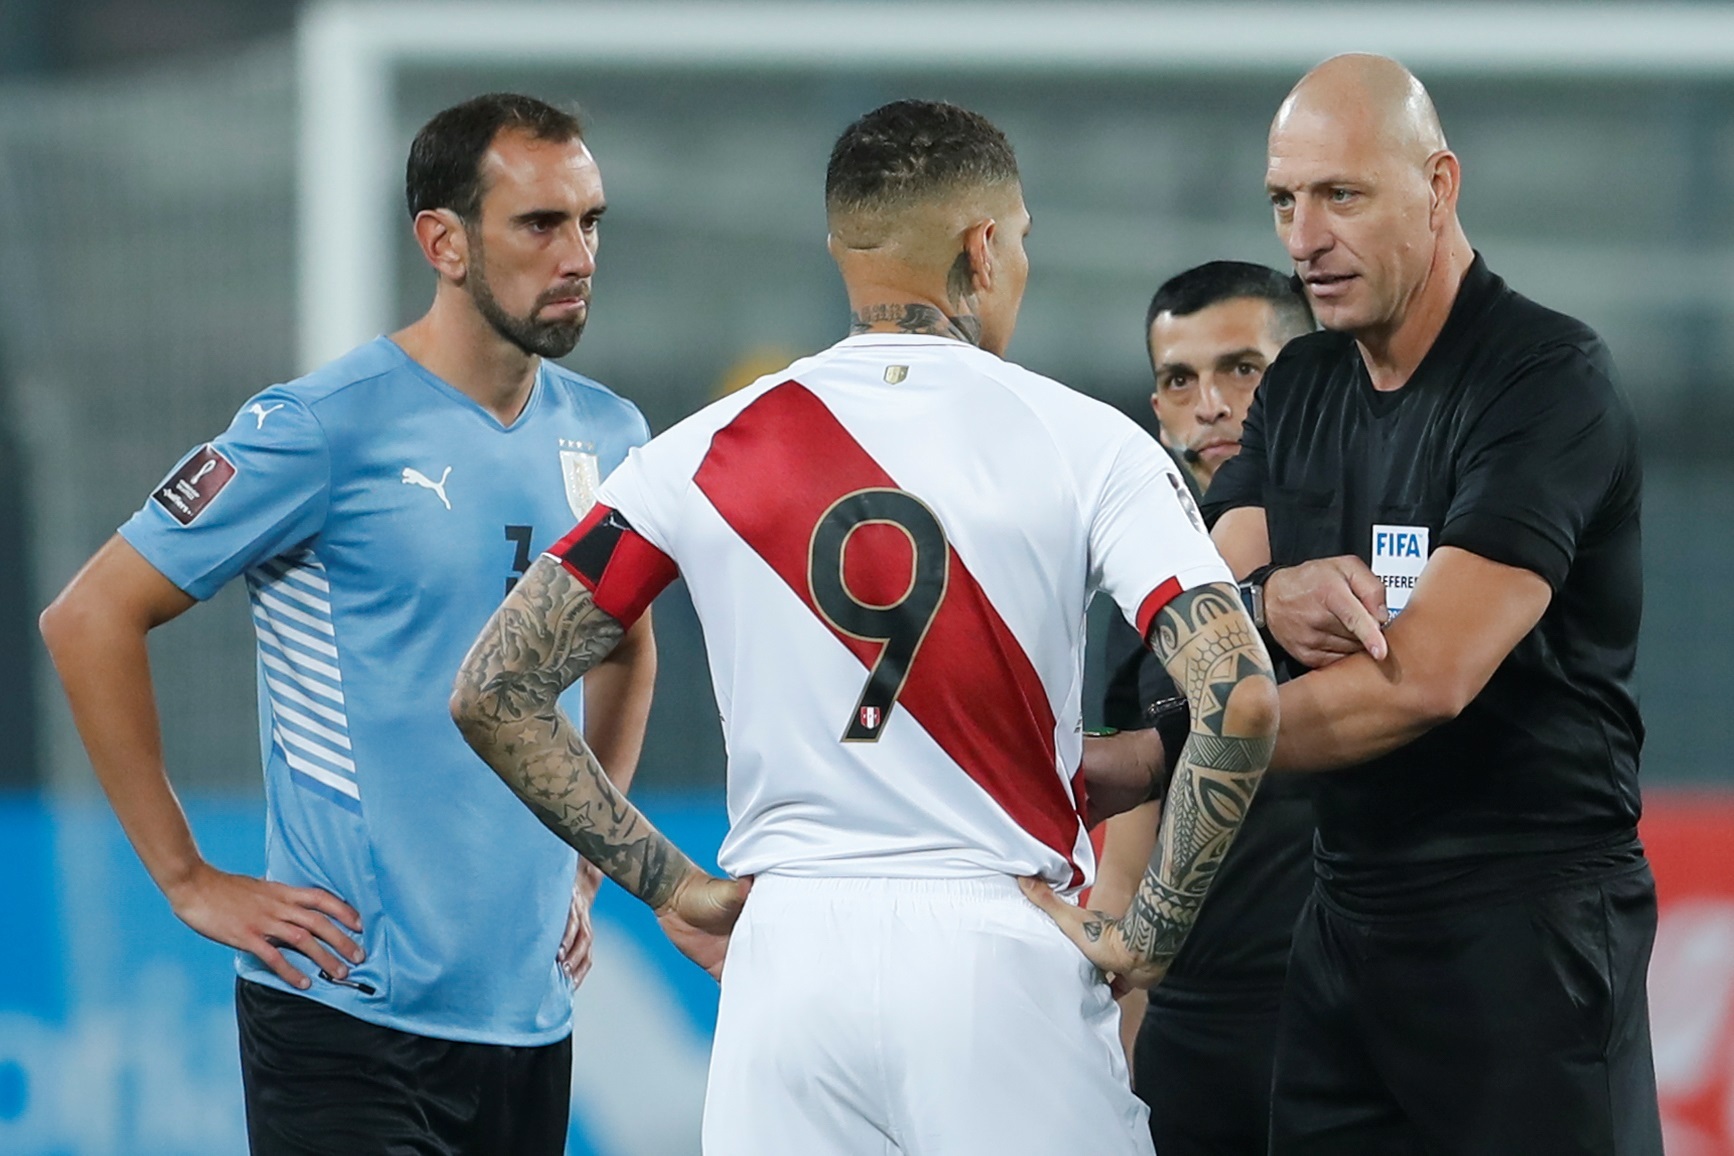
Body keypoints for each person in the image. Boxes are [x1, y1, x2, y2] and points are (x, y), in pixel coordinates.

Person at [449, 98, 1279, 1156]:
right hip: (1000, 948)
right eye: (1019, 240)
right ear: (983, 248)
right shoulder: (1088, 442)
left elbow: (494, 688)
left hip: (786, 966)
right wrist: (1151, 935)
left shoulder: (702, 449)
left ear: (845, 248)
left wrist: (672, 881)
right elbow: (1242, 694)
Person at [38, 93, 656, 1155]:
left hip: (528, 1015)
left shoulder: (610, 432)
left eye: (590, 220)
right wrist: (188, 878)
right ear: (443, 242)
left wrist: (588, 862)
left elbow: (628, 640)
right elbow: (89, 615)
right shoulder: (321, 428)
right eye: (540, 224)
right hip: (345, 1010)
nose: (578, 254)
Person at [1202, 54, 1661, 1155]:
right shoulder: (1302, 386)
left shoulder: (1545, 379)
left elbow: (1429, 680)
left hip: (1527, 923)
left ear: (1440, 186)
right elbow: (1196, 609)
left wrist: (1181, 749)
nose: (1303, 237)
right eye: (1284, 200)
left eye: (1340, 195)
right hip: (1346, 922)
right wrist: (1267, 598)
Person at [1090, 260, 1315, 1156]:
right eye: (1180, 379)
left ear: (1313, 377)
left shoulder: (1379, 562)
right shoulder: (1142, 599)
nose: (1211, 404)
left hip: (1359, 1016)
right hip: (1197, 1033)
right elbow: (1126, 869)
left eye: (1243, 369)